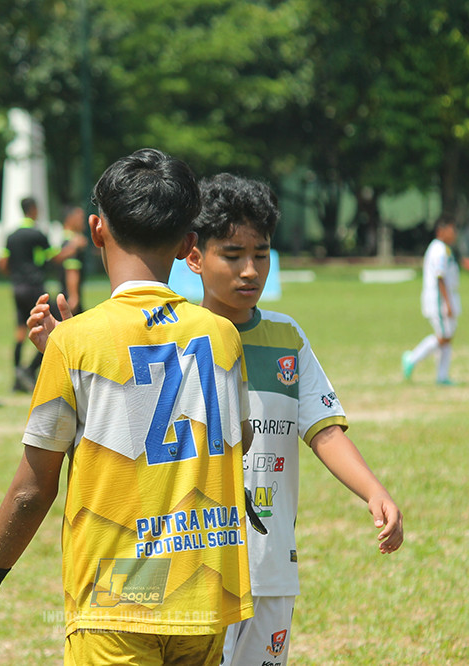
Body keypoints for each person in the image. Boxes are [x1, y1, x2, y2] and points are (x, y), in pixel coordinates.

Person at [0, 149, 255, 664]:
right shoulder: (222, 334)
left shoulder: (77, 342)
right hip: (205, 593)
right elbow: (235, 438)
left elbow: (33, 488)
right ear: (187, 244)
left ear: (96, 230)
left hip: (114, 599)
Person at [184, 174, 403, 665]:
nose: (249, 271)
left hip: (270, 565)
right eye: (232, 255)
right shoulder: (179, 337)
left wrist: (374, 490)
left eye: (260, 255)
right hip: (198, 566)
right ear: (195, 256)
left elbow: (322, 428)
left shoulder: (287, 337)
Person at [0, 197, 84, 392]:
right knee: (54, 327)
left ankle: (16, 379)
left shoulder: (12, 235)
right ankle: (32, 371)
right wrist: (72, 248)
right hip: (34, 287)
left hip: (17, 287)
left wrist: (16, 273)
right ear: (34, 210)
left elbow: (2, 263)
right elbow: (54, 257)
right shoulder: (37, 233)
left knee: (20, 332)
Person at [401, 214, 460, 385]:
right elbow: (439, 277)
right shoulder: (439, 250)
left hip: (446, 298)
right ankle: (412, 358)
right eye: (451, 230)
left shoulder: (443, 248)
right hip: (439, 300)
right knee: (443, 337)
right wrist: (447, 303)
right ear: (441, 231)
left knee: (448, 337)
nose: (454, 233)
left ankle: (442, 376)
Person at [57, 204, 88, 315]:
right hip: (70, 297)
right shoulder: (73, 243)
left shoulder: (63, 238)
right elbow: (72, 269)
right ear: (70, 219)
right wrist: (74, 296)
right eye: (80, 218)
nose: (83, 221)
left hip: (64, 296)